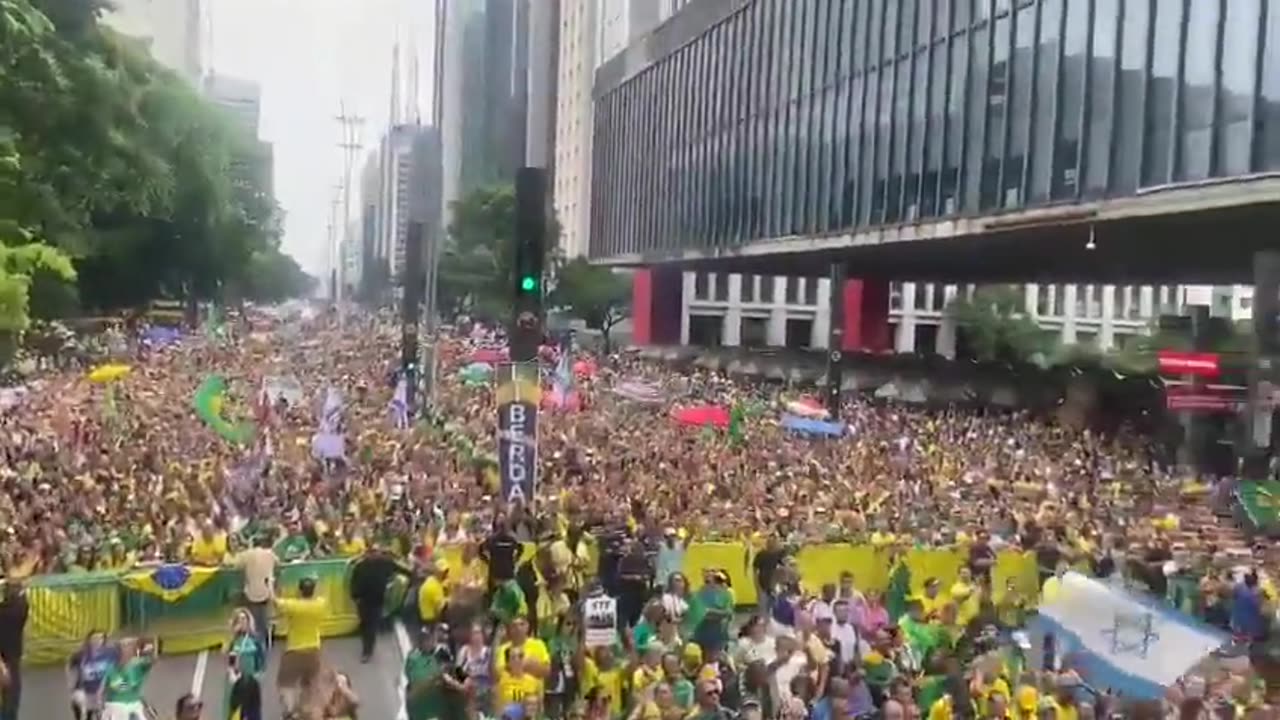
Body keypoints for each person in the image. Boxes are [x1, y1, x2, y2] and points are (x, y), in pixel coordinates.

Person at [274, 576, 329, 718]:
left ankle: (290, 711)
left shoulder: (294, 606)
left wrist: (270, 586)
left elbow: (274, 601)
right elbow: (324, 592)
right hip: (314, 650)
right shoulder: (320, 604)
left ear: (299, 591)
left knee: (285, 684)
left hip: (294, 650)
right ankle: (306, 711)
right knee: (309, 684)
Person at [349, 541, 410, 661]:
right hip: (363, 600)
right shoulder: (361, 566)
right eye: (371, 552)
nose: (374, 555)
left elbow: (401, 569)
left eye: (376, 552)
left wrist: (413, 574)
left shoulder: (385, 563)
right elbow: (353, 582)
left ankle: (367, 651)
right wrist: (354, 596)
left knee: (371, 626)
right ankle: (367, 647)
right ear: (367, 553)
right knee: (364, 624)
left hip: (377, 600)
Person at [236, 535, 278, 650]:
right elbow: (278, 563)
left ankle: (256, 640)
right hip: (266, 590)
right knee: (264, 616)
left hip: (251, 591)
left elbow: (236, 565)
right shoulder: (270, 554)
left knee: (252, 617)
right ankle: (266, 640)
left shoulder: (247, 554)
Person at [68, 630, 119, 720]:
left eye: (100, 638)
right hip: (86, 690)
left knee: (103, 714)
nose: (97, 640)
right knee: (85, 712)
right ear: (89, 640)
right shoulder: (81, 654)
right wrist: (71, 683)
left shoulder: (111, 653)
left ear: (104, 640)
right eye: (94, 638)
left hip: (104, 691)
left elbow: (119, 667)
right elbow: (69, 666)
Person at [101, 638, 155, 720]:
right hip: (116, 705)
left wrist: (147, 649)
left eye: (130, 645)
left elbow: (152, 659)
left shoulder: (140, 664)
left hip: (135, 705)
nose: (128, 649)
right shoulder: (111, 669)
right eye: (125, 646)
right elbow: (121, 687)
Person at [405, 626, 448, 720]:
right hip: (420, 703)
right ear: (420, 642)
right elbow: (416, 680)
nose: (428, 643)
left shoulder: (440, 654)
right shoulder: (414, 658)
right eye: (425, 640)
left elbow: (453, 669)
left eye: (430, 640)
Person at [0, 580, 28, 720]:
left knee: (10, 699)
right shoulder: (19, 610)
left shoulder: (8, 611)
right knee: (11, 698)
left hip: (9, 658)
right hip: (9, 659)